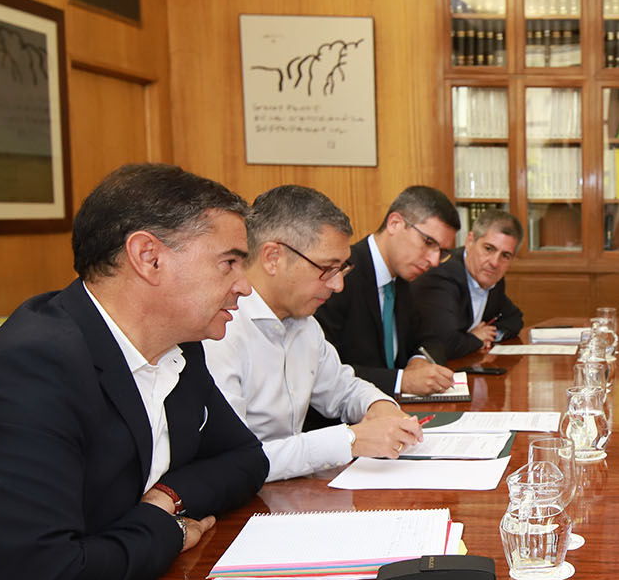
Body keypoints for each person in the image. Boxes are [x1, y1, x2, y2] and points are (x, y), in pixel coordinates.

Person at [0, 164, 269, 580]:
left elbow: (245, 458)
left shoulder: (179, 345)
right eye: (229, 263)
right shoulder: (28, 368)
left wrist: (170, 495)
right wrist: (166, 527)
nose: (245, 285)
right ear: (148, 258)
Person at [204, 186, 425, 482]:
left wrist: (379, 406)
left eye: (341, 270)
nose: (338, 286)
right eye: (326, 269)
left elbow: (343, 388)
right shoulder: (220, 329)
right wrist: (349, 440)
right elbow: (237, 458)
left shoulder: (304, 324)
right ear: (272, 257)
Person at [314, 185, 459, 396]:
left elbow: (431, 340)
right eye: (428, 242)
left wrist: (418, 362)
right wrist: (401, 381)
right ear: (395, 224)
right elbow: (323, 372)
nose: (434, 261)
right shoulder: (338, 276)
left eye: (442, 251)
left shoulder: (402, 281)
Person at [414, 208, 525, 361]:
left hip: (465, 365)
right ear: (470, 241)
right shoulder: (442, 275)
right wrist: (476, 339)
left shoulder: (491, 276)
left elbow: (514, 319)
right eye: (488, 249)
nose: (494, 262)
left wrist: (489, 335)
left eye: (505, 256)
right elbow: (443, 345)